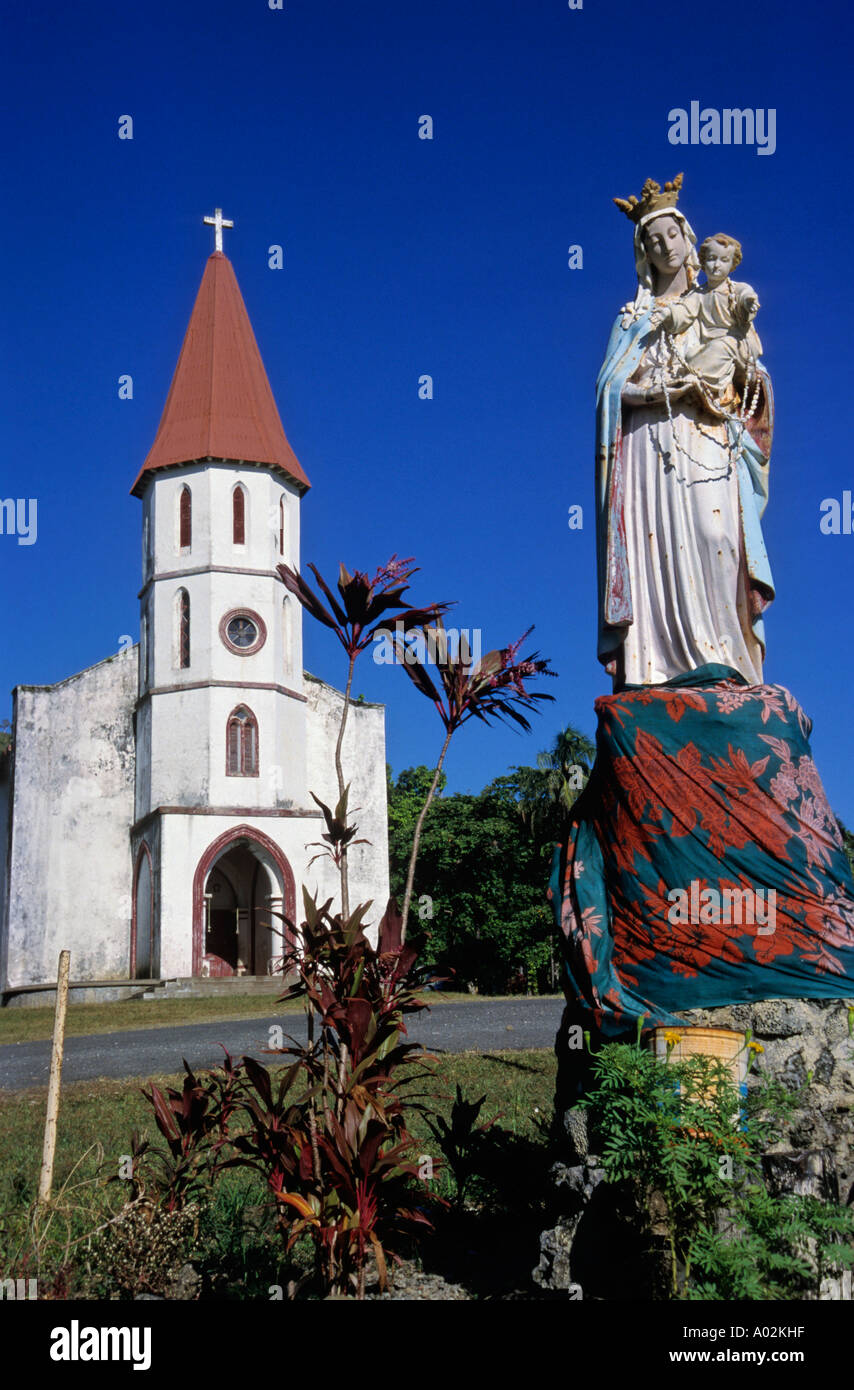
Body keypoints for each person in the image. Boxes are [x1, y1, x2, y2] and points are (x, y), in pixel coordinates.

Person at [596, 176, 774, 689]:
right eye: (652, 242)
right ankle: (656, 671)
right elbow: (610, 392)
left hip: (711, 440)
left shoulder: (720, 302)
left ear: (687, 235)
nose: (664, 247)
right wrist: (659, 393)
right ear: (643, 256)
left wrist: (737, 374)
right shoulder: (634, 318)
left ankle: (733, 663)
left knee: (717, 537)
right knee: (656, 552)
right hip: (651, 451)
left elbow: (751, 379)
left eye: (670, 234)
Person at [649, 233, 762, 402]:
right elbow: (685, 313)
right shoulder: (698, 294)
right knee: (691, 355)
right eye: (711, 259)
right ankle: (693, 378)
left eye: (724, 260)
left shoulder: (737, 289)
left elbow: (745, 297)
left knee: (724, 345)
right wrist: (668, 313)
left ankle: (698, 381)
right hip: (709, 347)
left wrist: (748, 303)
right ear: (702, 262)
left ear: (732, 264)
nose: (717, 265)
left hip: (737, 343)